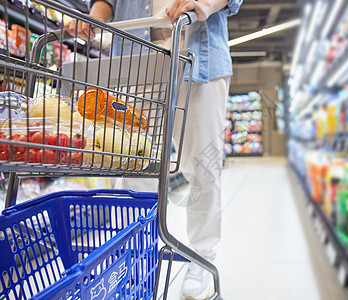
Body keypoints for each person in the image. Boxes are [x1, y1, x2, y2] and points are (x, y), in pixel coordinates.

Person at [66, 0, 242, 299]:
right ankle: (134, 255)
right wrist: (93, 18)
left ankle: (202, 257)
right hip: (136, 58)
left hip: (199, 55)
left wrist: (204, 4)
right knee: (133, 164)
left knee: (201, 167)